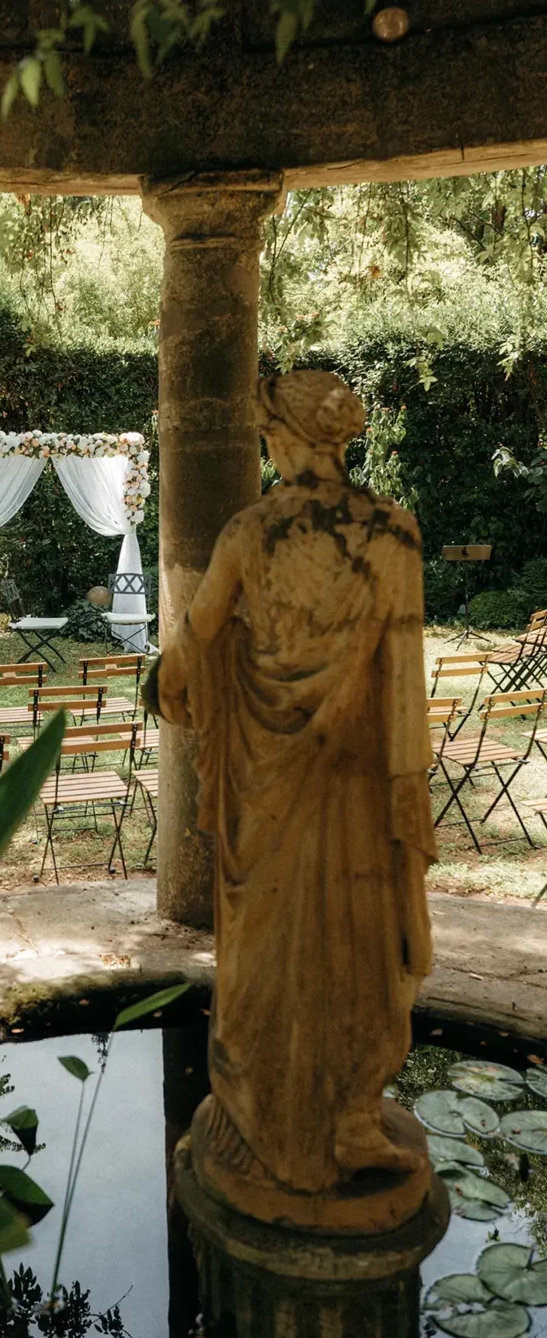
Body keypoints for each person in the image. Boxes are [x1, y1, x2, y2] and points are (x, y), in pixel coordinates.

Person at [148, 370, 436, 1198]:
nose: (266, 446)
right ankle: (348, 1114)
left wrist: (177, 684)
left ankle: (261, 1113)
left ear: (291, 437)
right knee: (357, 940)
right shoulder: (397, 535)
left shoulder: (251, 532)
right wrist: (408, 802)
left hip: (268, 791)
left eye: (268, 432)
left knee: (268, 947)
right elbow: (405, 685)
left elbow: (194, 650)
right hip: (359, 786)